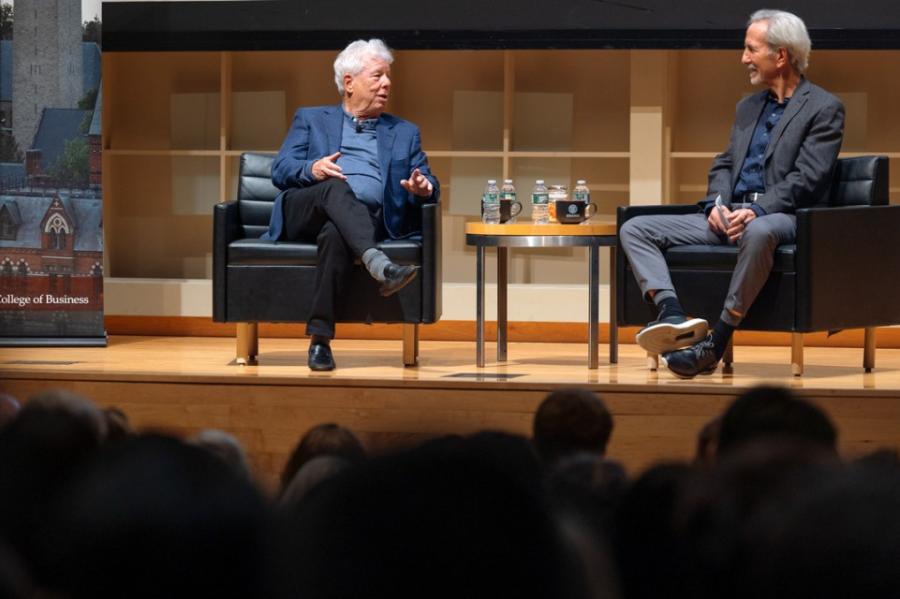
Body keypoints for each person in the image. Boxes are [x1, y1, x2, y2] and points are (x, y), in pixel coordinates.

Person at [620, 10, 844, 378]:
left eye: (750, 49)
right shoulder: (748, 106)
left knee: (759, 231)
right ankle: (672, 313)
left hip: (784, 217)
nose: (743, 59)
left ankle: (716, 341)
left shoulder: (824, 108)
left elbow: (810, 177)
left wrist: (758, 211)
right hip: (731, 214)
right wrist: (717, 205)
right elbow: (724, 164)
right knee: (636, 228)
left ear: (781, 55)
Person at [264, 39, 440, 372]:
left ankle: (320, 341)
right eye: (377, 76)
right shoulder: (312, 119)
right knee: (333, 186)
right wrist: (311, 169)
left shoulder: (404, 132)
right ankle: (378, 263)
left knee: (336, 232)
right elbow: (280, 169)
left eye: (388, 77)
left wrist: (423, 187)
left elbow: (430, 183)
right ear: (349, 83)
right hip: (305, 208)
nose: (387, 84)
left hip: (361, 219)